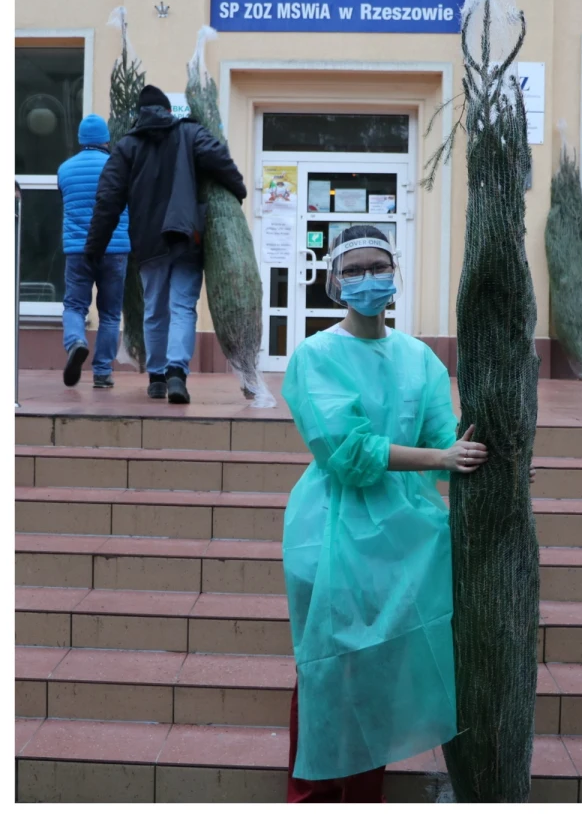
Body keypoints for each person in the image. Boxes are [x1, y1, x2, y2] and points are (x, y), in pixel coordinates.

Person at [279, 225, 532, 801]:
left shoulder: (419, 358)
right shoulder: (316, 355)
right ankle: (310, 795)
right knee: (327, 664)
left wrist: (495, 467)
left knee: (382, 672)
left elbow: (447, 446)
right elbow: (347, 452)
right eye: (355, 270)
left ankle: (366, 794)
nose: (369, 280)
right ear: (334, 282)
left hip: (406, 539)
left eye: (379, 267)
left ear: (395, 277)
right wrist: (440, 455)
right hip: (332, 531)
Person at [87, 84, 247, 404]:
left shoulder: (127, 146)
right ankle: (177, 372)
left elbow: (108, 201)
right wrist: (237, 191)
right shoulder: (190, 133)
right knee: (183, 306)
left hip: (149, 243)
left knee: (154, 309)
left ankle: (157, 377)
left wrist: (94, 250)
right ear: (168, 111)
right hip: (187, 237)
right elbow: (219, 158)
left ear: (139, 114)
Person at [57, 114, 129, 389]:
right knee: (110, 312)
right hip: (115, 249)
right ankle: (102, 373)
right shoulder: (119, 167)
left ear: (80, 140)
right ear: (106, 139)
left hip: (78, 250)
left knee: (75, 305)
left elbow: (65, 201)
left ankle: (76, 341)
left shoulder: (65, 169)